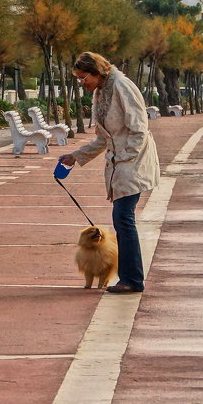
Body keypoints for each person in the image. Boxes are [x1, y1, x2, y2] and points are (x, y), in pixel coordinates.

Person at [59, 51, 160, 294]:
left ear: (97, 72)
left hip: (132, 163)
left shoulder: (122, 86)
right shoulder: (101, 93)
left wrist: (125, 155)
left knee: (123, 220)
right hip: (119, 164)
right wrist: (76, 156)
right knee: (123, 220)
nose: (83, 83)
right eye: (80, 79)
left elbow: (139, 128)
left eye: (84, 78)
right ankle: (130, 277)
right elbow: (104, 138)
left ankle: (132, 279)